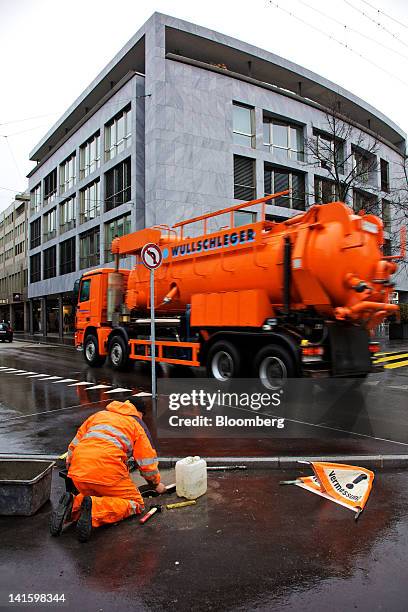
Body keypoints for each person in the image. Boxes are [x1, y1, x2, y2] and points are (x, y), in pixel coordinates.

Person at [50, 399, 165, 542]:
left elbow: (73, 445)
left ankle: (73, 503)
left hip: (79, 472)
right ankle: (94, 510)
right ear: (139, 413)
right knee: (135, 503)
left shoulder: (98, 416)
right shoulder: (135, 425)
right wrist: (156, 484)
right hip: (106, 472)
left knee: (95, 494)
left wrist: (73, 469)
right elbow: (147, 463)